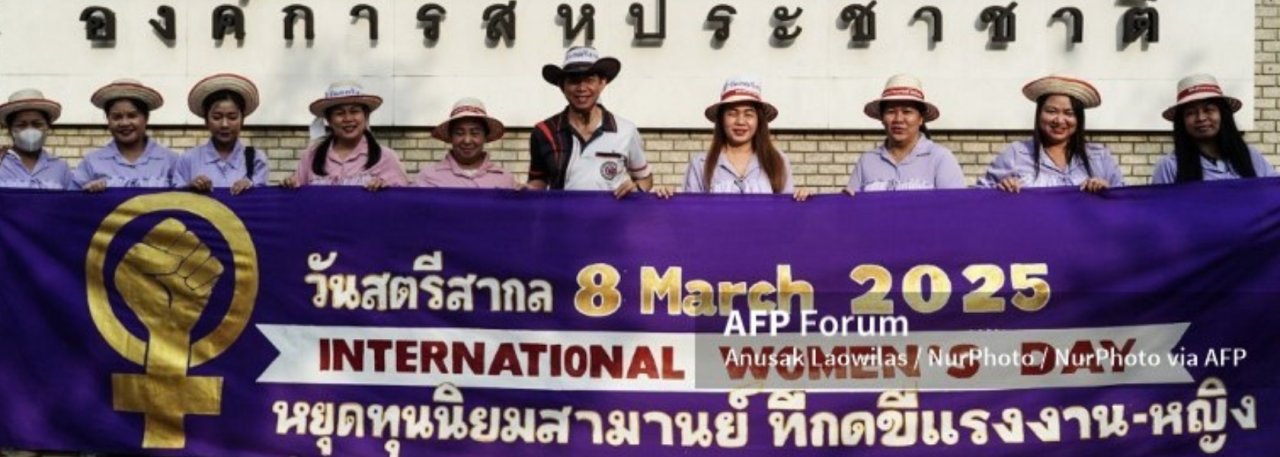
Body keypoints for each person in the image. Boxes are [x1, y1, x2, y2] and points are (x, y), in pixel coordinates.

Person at [528, 46, 651, 198]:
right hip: (560, 214)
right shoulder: (544, 131)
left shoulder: (626, 130)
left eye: (589, 80)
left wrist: (636, 188)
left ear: (602, 83)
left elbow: (645, 179)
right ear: (562, 86)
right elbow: (538, 181)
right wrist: (524, 191)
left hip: (609, 214)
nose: (582, 88)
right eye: (574, 81)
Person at [977, 75, 1124, 193]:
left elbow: (1124, 201)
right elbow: (979, 197)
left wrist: (1108, 191)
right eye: (1051, 111)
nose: (1059, 120)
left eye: (1069, 113)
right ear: (1039, 114)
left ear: (1079, 119)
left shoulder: (1099, 157)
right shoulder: (1016, 153)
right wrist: (1000, 189)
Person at [672, 76, 808, 200]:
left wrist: (804, 200)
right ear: (721, 119)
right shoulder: (701, 163)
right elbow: (690, 211)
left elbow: (787, 213)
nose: (741, 121)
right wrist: (667, 198)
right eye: (732, 113)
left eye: (749, 114)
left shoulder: (778, 161)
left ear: (759, 120)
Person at [847, 74, 966, 193]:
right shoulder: (867, 161)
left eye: (907, 112)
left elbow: (957, 203)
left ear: (921, 119)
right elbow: (853, 203)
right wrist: (846, 199)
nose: (898, 119)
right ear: (882, 118)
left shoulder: (940, 158)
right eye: (891, 112)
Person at [1152, 73, 1277, 184]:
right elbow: (1159, 203)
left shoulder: (1250, 156)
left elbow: (1273, 192)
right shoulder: (1170, 166)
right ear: (1181, 121)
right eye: (1191, 113)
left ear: (1223, 114)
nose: (1201, 118)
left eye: (1208, 110)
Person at [282, 81, 408, 190]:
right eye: (340, 113)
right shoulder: (311, 157)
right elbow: (297, 200)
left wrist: (386, 190)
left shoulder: (386, 157)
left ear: (366, 116)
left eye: (354, 111)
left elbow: (403, 202)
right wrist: (289, 184)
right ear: (329, 120)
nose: (348, 119)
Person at [73, 79, 178, 191]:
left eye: (132, 116)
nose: (124, 123)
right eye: (116, 117)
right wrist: (87, 193)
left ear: (146, 118)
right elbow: (71, 199)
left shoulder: (170, 161)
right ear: (108, 119)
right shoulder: (92, 162)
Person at [175, 73, 269, 195]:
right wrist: (190, 188)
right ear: (206, 120)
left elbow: (262, 202)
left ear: (242, 120)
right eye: (217, 117)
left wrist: (251, 188)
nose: (224, 124)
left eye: (232, 117)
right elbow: (175, 200)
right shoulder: (188, 160)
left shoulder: (256, 159)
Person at [416, 98, 519, 189]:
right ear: (451, 137)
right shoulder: (428, 178)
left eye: (475, 133)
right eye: (459, 133)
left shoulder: (504, 180)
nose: (467, 140)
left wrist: (524, 196)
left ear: (485, 137)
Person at [0, 89, 72, 189]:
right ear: (10, 129)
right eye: (21, 125)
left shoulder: (60, 167)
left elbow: (73, 198)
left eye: (37, 124)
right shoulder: (2, 163)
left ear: (47, 127)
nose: (30, 130)